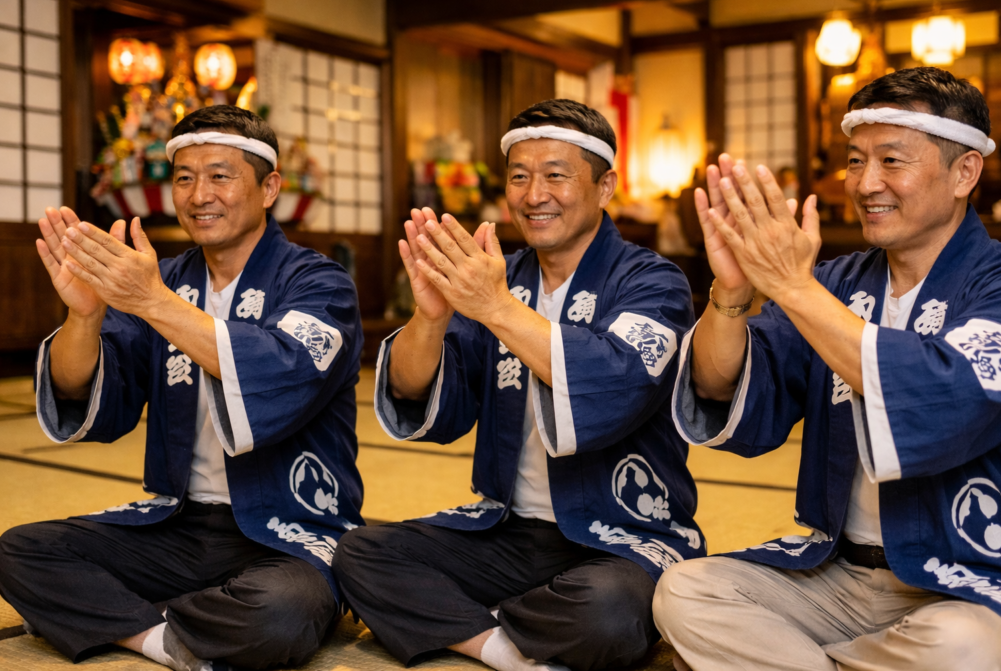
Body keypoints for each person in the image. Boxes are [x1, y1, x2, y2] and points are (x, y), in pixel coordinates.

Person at [654, 67, 1001, 670]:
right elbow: (722, 383)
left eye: (891, 161)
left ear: (964, 173)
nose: (866, 183)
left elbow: (942, 393)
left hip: (966, 580)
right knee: (685, 591)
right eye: (856, 161)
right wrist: (732, 293)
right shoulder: (836, 284)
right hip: (835, 573)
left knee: (966, 647)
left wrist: (792, 287)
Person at [333, 99, 703, 671]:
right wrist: (430, 317)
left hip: (622, 534)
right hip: (507, 530)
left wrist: (496, 307)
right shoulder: (497, 278)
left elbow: (614, 381)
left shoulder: (652, 281)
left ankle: (469, 618)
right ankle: (505, 647)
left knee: (607, 611)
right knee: (359, 553)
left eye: (555, 175)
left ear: (604, 187)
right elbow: (414, 393)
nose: (534, 196)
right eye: (519, 177)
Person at [0, 106, 364, 671]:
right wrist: (84, 317)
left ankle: (129, 615)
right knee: (21, 551)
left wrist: (151, 302)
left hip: (287, 528)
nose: (199, 196)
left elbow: (282, 369)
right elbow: (81, 390)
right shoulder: (164, 279)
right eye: (184, 178)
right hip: (175, 522)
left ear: (269, 188)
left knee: (280, 611)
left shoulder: (318, 281)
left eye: (220, 176)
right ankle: (165, 638)